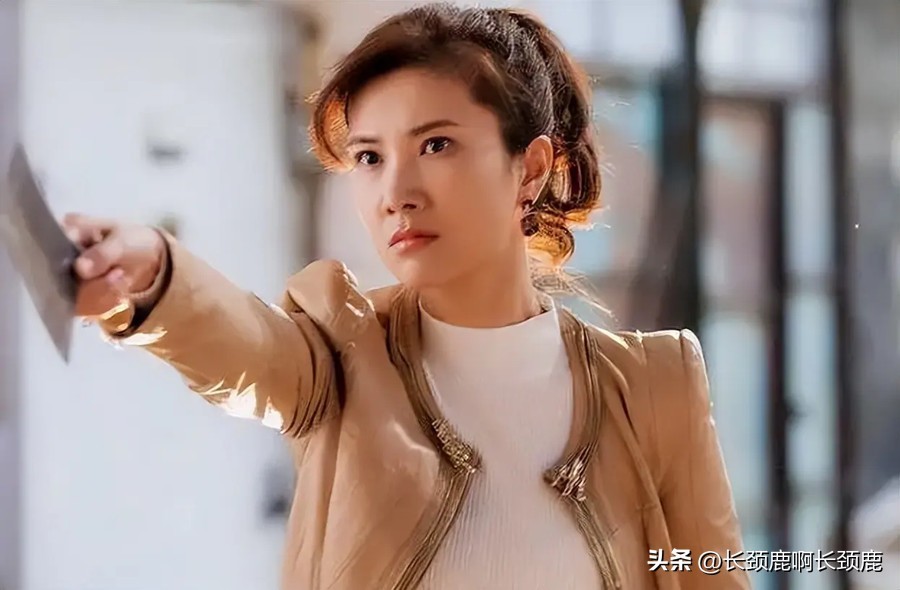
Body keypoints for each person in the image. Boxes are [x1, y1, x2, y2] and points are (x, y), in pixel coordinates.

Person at [64, 3, 749, 589]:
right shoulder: (338, 354)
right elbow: (247, 349)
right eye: (369, 157)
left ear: (530, 169)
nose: (396, 193)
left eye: (437, 145)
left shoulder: (654, 389)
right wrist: (152, 273)